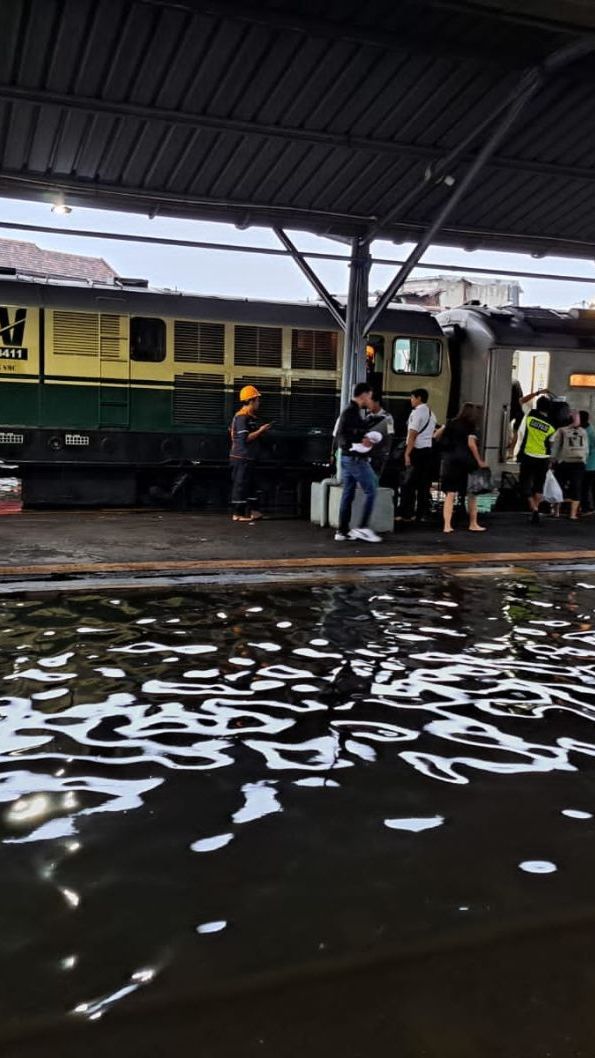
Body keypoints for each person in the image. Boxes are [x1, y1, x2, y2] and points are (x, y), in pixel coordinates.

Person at [334, 382, 380, 543]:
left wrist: (361, 437)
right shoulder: (351, 412)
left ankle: (342, 530)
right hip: (354, 458)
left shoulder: (350, 411)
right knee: (372, 489)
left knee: (348, 493)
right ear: (364, 395)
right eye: (370, 396)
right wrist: (361, 440)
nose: (371, 399)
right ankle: (362, 528)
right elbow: (345, 435)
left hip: (346, 458)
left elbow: (343, 433)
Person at [434, 403, 488, 534]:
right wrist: (480, 461)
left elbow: (436, 436)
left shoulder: (451, 422)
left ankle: (447, 526)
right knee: (472, 493)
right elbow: (471, 444)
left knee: (450, 494)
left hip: (450, 460)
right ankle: (473, 523)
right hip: (466, 461)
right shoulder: (471, 425)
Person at [229, 384, 272, 522]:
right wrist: (261, 431)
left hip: (250, 457)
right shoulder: (242, 418)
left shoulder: (250, 417)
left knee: (252, 485)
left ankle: (254, 511)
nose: (259, 403)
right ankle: (237, 514)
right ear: (251, 401)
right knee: (240, 485)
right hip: (241, 457)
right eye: (257, 400)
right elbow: (245, 438)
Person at [396, 388, 436, 523]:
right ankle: (422, 513)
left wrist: (407, 454)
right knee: (424, 484)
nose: (411, 400)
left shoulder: (416, 413)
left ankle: (406, 513)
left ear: (419, 398)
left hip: (416, 451)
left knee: (408, 483)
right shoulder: (431, 414)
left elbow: (412, 435)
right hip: (428, 452)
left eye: (412, 397)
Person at [516, 395, 556, 526]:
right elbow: (551, 443)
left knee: (524, 484)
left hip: (528, 455)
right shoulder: (551, 426)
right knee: (539, 485)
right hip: (543, 458)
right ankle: (536, 509)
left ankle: (534, 508)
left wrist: (537, 392)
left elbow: (521, 401)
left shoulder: (530, 415)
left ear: (537, 406)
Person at [550, 412, 588, 521]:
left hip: (564, 462)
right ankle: (572, 514)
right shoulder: (583, 431)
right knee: (576, 487)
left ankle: (556, 512)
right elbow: (586, 448)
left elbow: (554, 445)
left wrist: (552, 460)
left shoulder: (561, 430)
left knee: (558, 487)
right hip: (579, 463)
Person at [366, 396, 395, 483]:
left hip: (380, 454)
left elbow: (390, 435)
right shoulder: (368, 417)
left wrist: (387, 451)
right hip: (367, 453)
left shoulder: (388, 418)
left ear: (377, 403)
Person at [579, 410, 595, 514]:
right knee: (586, 486)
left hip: (590, 464)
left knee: (585, 486)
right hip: (589, 463)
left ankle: (586, 507)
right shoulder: (588, 429)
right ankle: (586, 506)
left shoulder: (589, 432)